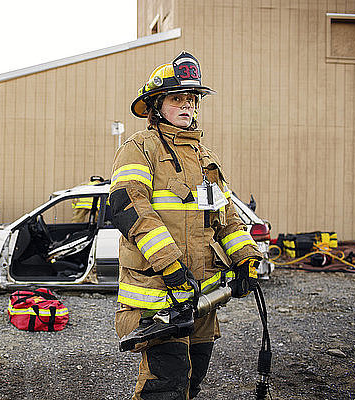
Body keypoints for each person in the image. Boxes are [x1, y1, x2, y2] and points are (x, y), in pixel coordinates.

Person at [109, 51, 262, 399]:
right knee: (164, 387)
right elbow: (129, 208)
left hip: (203, 297)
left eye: (191, 99)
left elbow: (225, 218)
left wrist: (246, 259)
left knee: (192, 383)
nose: (187, 105)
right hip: (161, 296)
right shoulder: (139, 147)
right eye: (177, 98)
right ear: (155, 105)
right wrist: (173, 268)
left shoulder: (206, 157)